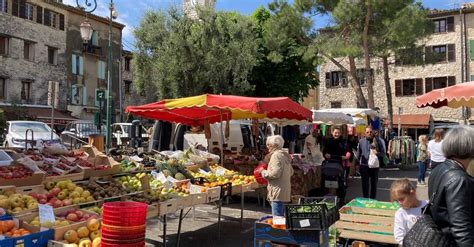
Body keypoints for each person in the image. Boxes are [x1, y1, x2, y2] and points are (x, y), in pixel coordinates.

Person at [428, 126, 474, 247]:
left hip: (440, 238)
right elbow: (461, 227)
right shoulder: (459, 179)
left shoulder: (439, 169)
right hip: (450, 241)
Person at [260, 135, 294, 216]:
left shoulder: (276, 155)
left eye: (269, 144)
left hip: (277, 192)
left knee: (278, 220)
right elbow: (291, 171)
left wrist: (263, 172)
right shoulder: (284, 155)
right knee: (282, 219)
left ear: (275, 145)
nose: (267, 146)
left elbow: (275, 173)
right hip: (284, 191)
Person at [391, 179, 428, 246]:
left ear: (412, 193)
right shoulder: (401, 213)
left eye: (401, 199)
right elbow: (399, 236)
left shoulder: (427, 205)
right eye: (397, 200)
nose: (400, 203)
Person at [357, 126, 385, 199]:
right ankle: (366, 199)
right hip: (364, 166)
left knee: (374, 184)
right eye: (367, 132)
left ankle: (372, 199)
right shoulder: (361, 141)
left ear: (373, 132)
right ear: (364, 133)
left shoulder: (378, 141)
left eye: (370, 132)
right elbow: (358, 154)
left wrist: (377, 153)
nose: (369, 133)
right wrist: (357, 164)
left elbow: (383, 153)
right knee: (365, 184)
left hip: (374, 167)